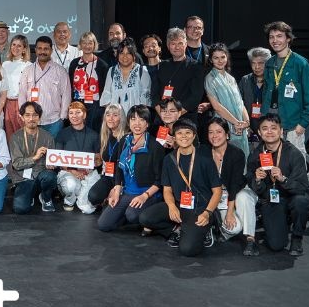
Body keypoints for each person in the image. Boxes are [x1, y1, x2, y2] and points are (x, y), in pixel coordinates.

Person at [138, 118, 223, 257]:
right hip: (179, 205)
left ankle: (206, 230)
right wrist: (171, 206)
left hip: (200, 208)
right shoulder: (169, 159)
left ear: (194, 136)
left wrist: (207, 213)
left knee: (187, 250)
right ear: (174, 137)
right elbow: (167, 189)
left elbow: (217, 191)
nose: (184, 136)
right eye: (179, 133)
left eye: (188, 132)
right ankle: (177, 229)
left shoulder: (205, 159)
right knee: (145, 218)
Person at [241, 114, 309, 256]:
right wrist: (257, 179)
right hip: (271, 199)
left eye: (273, 128)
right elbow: (254, 186)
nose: (269, 132)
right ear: (259, 132)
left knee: (301, 201)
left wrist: (283, 179)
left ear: (281, 131)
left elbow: (302, 187)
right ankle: (281, 223)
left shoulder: (293, 153)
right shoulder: (255, 154)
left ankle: (297, 237)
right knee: (276, 245)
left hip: (291, 196)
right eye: (265, 128)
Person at [96, 105, 165, 233]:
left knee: (132, 215)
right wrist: (117, 191)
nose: (137, 124)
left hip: (147, 193)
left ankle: (145, 217)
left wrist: (144, 196)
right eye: (133, 119)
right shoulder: (124, 140)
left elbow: (159, 180)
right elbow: (119, 168)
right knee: (103, 224)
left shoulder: (155, 146)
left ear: (147, 124)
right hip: (128, 192)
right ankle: (126, 214)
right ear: (128, 122)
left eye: (141, 120)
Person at [260, 21, 309, 156]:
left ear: (288, 38)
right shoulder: (269, 63)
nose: (275, 40)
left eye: (279, 36)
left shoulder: (300, 64)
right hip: (271, 125)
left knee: (295, 164)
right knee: (274, 163)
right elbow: (266, 94)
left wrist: (302, 124)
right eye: (271, 37)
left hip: (292, 126)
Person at [205, 119, 255, 256]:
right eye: (211, 132)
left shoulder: (236, 153)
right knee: (234, 228)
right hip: (216, 195)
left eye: (219, 132)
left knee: (244, 198)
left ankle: (250, 239)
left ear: (227, 134)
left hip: (236, 190)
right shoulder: (204, 152)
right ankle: (219, 228)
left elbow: (234, 184)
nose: (214, 136)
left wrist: (230, 212)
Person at [9, 101, 58, 213]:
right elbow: (16, 164)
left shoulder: (48, 137)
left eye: (35, 115)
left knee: (50, 176)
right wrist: (35, 158)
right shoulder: (15, 137)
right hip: (23, 178)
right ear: (22, 117)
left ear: (39, 117)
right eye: (27, 115)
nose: (31, 119)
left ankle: (46, 197)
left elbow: (52, 160)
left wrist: (51, 165)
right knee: (20, 209)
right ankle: (30, 194)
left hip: (41, 176)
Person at [16, 36, 70, 138]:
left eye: (46, 49)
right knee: (33, 148)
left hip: (54, 122)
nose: (42, 52)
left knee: (52, 148)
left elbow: (66, 95)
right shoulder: (28, 70)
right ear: (35, 50)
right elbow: (22, 94)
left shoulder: (60, 71)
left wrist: (62, 118)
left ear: (51, 50)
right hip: (31, 121)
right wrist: (24, 115)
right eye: (39, 48)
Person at [53, 102, 102, 213]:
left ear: (84, 115)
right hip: (68, 172)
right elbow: (58, 160)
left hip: (88, 173)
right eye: (71, 113)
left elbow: (98, 159)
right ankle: (69, 200)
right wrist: (73, 171)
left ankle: (81, 196)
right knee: (71, 185)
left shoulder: (94, 135)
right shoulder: (62, 134)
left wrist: (90, 167)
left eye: (78, 112)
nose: (74, 116)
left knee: (87, 209)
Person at [204, 42, 251, 157]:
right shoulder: (209, 78)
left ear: (227, 57)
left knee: (243, 158)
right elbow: (217, 107)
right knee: (227, 159)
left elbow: (240, 103)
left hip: (240, 126)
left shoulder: (231, 78)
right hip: (223, 125)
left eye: (222, 57)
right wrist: (236, 123)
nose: (220, 61)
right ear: (211, 60)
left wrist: (246, 122)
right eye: (216, 58)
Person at [151, 27, 205, 113]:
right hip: (162, 115)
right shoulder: (162, 66)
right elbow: (154, 94)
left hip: (185, 116)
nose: (177, 47)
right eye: (173, 44)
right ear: (168, 46)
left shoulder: (195, 66)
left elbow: (195, 97)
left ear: (186, 44)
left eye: (180, 43)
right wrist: (163, 114)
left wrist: (176, 114)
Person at [86, 103, 128, 211]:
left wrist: (117, 188)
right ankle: (106, 199)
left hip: (123, 180)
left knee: (111, 209)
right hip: (108, 176)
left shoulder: (127, 138)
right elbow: (105, 159)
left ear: (121, 118)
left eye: (115, 115)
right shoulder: (105, 136)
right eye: (108, 115)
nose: (110, 118)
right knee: (93, 197)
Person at [99, 39, 151, 118]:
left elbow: (145, 99)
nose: (125, 56)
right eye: (122, 53)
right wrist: (113, 118)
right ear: (117, 55)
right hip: (116, 120)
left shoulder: (142, 71)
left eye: (128, 53)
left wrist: (137, 119)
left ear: (134, 55)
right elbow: (106, 96)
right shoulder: (111, 71)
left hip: (136, 119)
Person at [66, 31, 104, 131]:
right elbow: (70, 85)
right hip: (77, 103)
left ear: (94, 45)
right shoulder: (74, 63)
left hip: (95, 105)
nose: (87, 46)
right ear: (80, 45)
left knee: (93, 133)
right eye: (84, 43)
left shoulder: (102, 65)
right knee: (77, 132)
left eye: (90, 43)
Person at [1, 34, 31, 141]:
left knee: (23, 133)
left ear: (24, 49)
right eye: (13, 45)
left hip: (22, 103)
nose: (15, 48)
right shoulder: (5, 64)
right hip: (7, 103)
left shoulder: (29, 65)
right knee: (10, 133)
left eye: (19, 46)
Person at [239, 47, 271, 138]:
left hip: (269, 127)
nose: (257, 67)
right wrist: (245, 124)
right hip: (249, 126)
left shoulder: (273, 81)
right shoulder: (245, 80)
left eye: (260, 63)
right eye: (253, 63)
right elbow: (238, 104)